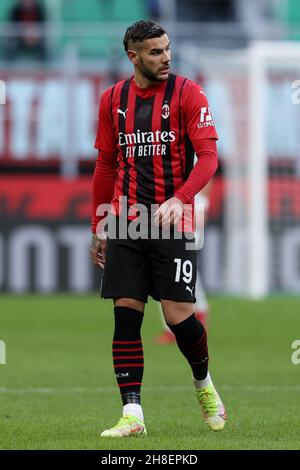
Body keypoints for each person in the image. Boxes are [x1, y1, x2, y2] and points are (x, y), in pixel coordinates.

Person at [90, 20, 227, 437]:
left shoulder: (189, 93)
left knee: (178, 317)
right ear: (133, 57)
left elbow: (208, 157)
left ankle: (203, 384)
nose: (165, 57)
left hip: (174, 220)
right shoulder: (112, 99)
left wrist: (180, 197)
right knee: (125, 316)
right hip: (126, 221)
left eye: (166, 48)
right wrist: (99, 223)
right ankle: (133, 414)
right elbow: (106, 165)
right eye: (154, 52)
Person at [155, 183, 212, 345]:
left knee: (168, 273)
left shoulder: (193, 165)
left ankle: (178, 324)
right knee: (181, 272)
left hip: (185, 216)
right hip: (178, 210)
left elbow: (208, 170)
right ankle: (199, 312)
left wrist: (203, 203)